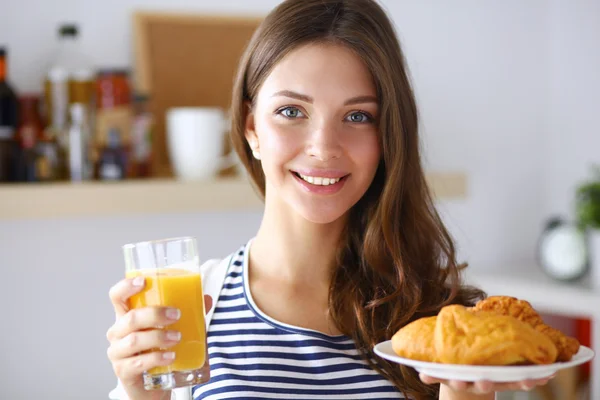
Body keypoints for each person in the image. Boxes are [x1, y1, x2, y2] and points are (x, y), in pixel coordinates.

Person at [106, 1, 555, 399]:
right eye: (291, 112)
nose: (324, 147)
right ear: (251, 127)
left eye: (357, 116)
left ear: (387, 139)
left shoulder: (440, 321)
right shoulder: (188, 312)